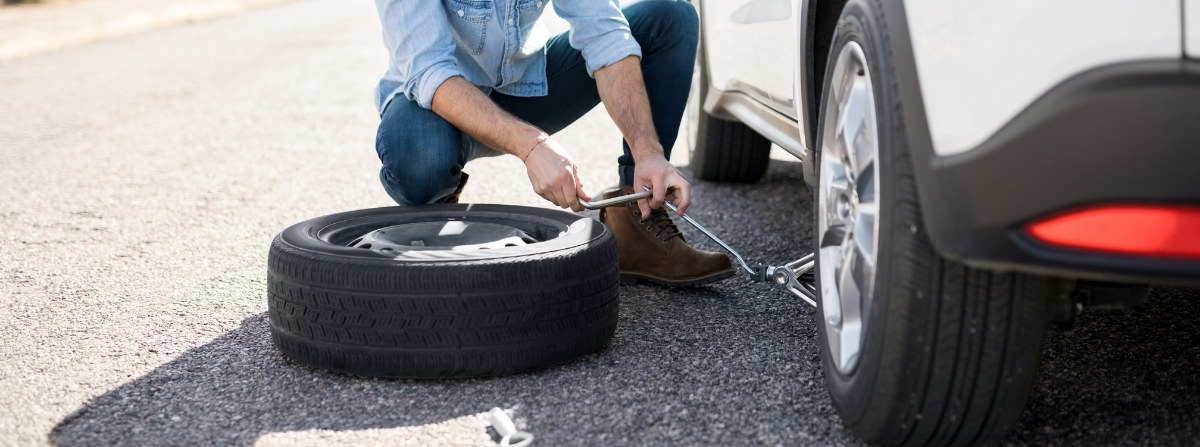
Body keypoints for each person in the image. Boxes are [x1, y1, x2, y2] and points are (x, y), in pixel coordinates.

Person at [372, 0, 734, 286]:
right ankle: (437, 205)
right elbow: (429, 71)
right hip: (436, 107)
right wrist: (533, 145)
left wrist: (648, 150)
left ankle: (636, 219)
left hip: (525, 87)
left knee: (670, 16)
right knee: (419, 154)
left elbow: (605, 35)